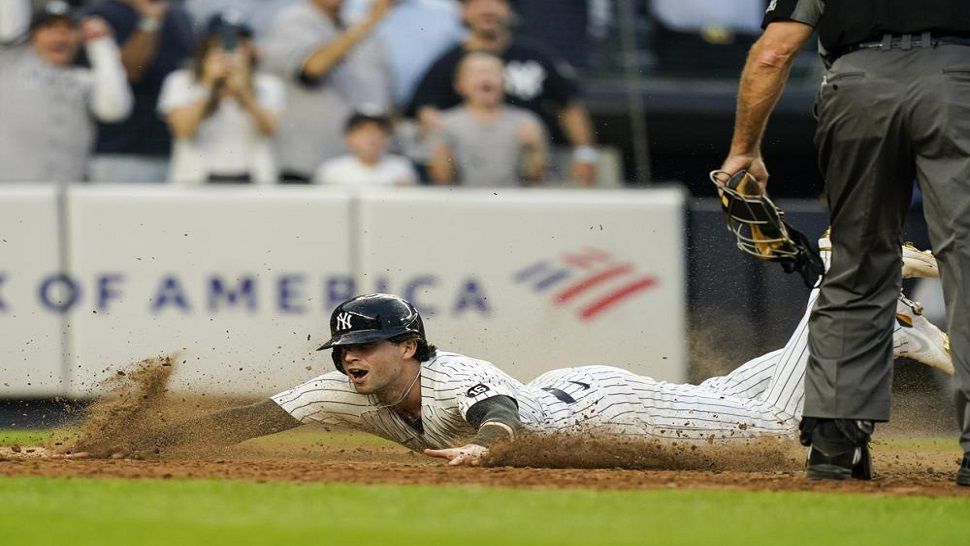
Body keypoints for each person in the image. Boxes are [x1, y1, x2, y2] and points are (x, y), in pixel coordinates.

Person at [63, 240, 953, 466]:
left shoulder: (454, 378)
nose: (349, 362)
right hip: (575, 395)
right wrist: (135, 443)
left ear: (407, 345)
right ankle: (890, 324)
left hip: (595, 409)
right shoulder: (349, 391)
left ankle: (844, 284)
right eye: (343, 352)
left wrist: (487, 449)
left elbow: (502, 414)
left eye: (366, 347)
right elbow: (250, 422)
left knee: (772, 430)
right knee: (730, 391)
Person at [718, 1, 970, 485]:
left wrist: (744, 149)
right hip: (957, 81)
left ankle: (835, 444)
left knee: (856, 262)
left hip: (858, 86)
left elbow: (773, 53)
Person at [407, 0, 598, 185]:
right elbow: (426, 109)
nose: (487, 9)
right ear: (463, 11)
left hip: (526, 167)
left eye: (496, 2)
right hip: (466, 172)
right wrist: (437, 133)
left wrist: (585, 154)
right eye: (477, 3)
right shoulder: (446, 63)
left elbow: (569, 104)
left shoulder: (535, 56)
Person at [260, 0, 393, 182]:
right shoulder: (292, 19)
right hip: (304, 165)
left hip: (356, 166)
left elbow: (383, 85)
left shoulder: (355, 22)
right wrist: (367, 24)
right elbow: (313, 67)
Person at [0, 0, 132, 182]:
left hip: (64, 198)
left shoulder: (81, 79)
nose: (60, 35)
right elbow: (7, 24)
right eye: (49, 27)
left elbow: (114, 109)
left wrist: (102, 47)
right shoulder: (8, 65)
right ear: (33, 35)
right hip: (11, 193)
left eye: (69, 28)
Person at [157, 13, 285, 184]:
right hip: (195, 180)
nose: (229, 51)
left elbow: (270, 130)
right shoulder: (180, 81)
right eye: (220, 45)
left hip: (252, 180)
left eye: (238, 44)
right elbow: (183, 130)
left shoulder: (268, 84)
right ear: (205, 48)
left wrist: (244, 93)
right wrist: (208, 86)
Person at [83, 0, 195, 183]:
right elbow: (129, 73)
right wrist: (149, 22)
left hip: (172, 154)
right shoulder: (102, 13)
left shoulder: (179, 15)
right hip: (120, 153)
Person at [428, 51, 548, 186]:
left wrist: (533, 150)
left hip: (513, 201)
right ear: (459, 84)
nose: (485, 77)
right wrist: (441, 152)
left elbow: (536, 179)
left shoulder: (526, 121)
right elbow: (441, 180)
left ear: (505, 81)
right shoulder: (446, 124)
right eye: (476, 73)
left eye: (492, 72)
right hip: (464, 202)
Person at [313, 111, 418, 186]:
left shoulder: (401, 169)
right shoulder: (331, 171)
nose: (373, 138)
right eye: (365, 131)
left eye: (380, 131)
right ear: (349, 137)